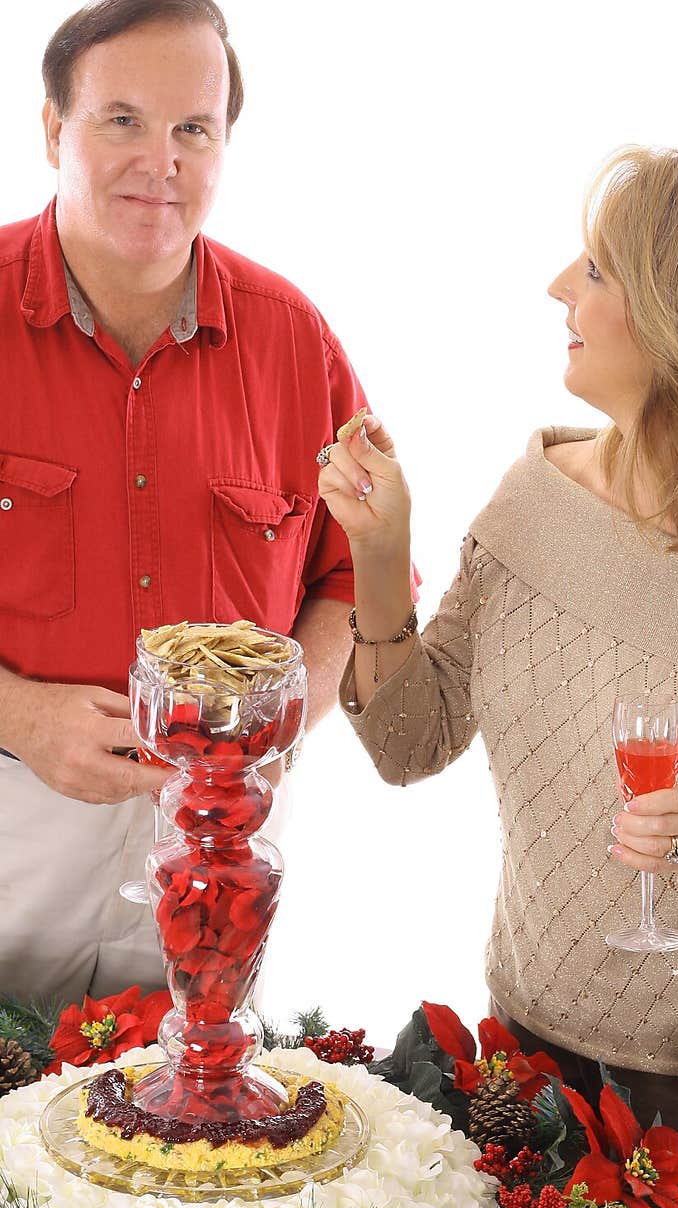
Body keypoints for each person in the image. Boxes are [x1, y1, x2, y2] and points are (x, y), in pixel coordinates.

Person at [318, 146, 678, 1208]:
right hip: (528, 1047)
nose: (558, 289)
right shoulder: (539, 492)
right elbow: (409, 742)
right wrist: (380, 556)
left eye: (598, 270)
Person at [0, 0, 366, 1005]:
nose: (159, 160)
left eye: (191, 129)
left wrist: (289, 718)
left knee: (183, 1137)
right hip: (13, 829)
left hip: (219, 853)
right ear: (51, 130)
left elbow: (357, 578)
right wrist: (20, 713)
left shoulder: (296, 342)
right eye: (122, 119)